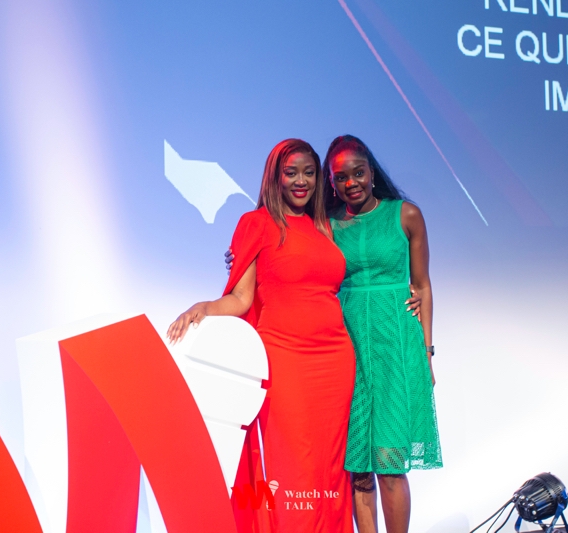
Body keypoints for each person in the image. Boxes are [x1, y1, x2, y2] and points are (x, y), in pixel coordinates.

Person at [168, 139, 356, 533]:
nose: (301, 181)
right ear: (275, 177)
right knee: (296, 471)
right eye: (291, 173)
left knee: (332, 468)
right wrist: (203, 307)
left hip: (336, 361)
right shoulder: (256, 223)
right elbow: (241, 297)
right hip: (286, 359)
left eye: (309, 173)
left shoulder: (326, 226)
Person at [324, 135, 442, 533]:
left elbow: (422, 286)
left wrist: (427, 352)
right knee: (358, 468)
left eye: (358, 173)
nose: (351, 183)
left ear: (372, 172)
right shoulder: (327, 225)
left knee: (390, 464)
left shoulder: (405, 215)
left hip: (395, 346)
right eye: (341, 177)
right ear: (332, 182)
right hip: (348, 347)